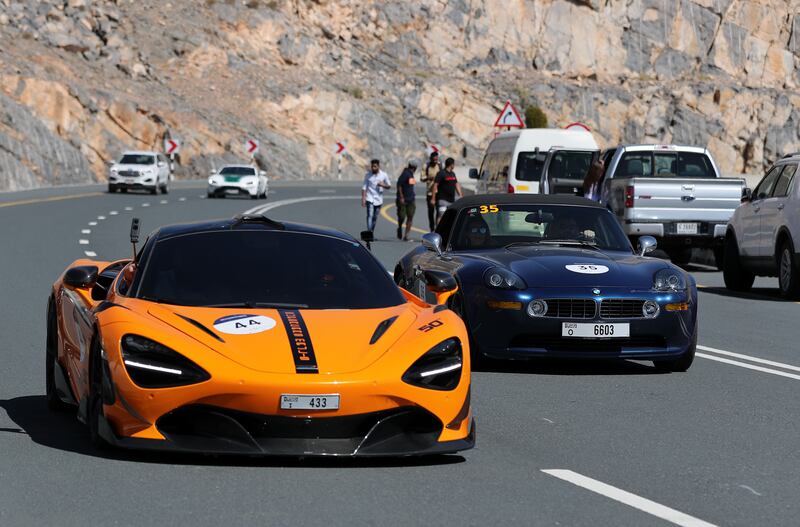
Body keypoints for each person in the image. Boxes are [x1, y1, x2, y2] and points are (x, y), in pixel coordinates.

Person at [361, 159, 391, 232]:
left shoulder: (384, 175)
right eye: (372, 166)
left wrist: (383, 185)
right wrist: (363, 199)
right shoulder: (368, 175)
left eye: (375, 166)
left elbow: (389, 186)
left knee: (375, 217)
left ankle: (371, 231)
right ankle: (369, 232)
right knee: (370, 215)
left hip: (379, 199)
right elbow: (364, 187)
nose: (373, 168)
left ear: (378, 166)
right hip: (369, 198)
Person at [431, 157, 463, 226]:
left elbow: (456, 184)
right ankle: (439, 231)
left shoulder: (453, 174)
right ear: (451, 165)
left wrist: (460, 195)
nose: (454, 165)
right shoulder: (441, 173)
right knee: (441, 215)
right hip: (442, 199)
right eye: (453, 164)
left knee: (450, 218)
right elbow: (435, 185)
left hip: (451, 200)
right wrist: (433, 198)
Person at [396, 159, 417, 241]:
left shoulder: (411, 174)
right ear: (414, 167)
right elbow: (399, 185)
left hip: (411, 199)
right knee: (402, 216)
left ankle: (406, 236)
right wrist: (401, 197)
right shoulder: (405, 173)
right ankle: (400, 226)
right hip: (403, 199)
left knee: (410, 217)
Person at [420, 151, 442, 231]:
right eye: (434, 160)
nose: (435, 161)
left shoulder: (439, 165)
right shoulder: (426, 166)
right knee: (431, 212)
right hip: (429, 193)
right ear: (431, 159)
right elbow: (422, 178)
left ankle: (437, 228)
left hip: (439, 192)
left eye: (437, 159)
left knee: (439, 212)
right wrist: (429, 178)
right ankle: (432, 228)